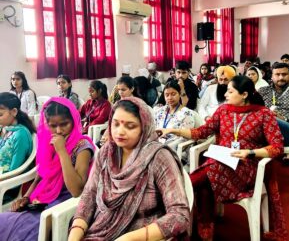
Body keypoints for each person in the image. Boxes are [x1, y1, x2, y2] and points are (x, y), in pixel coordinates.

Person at [157, 76, 287, 241]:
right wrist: (172, 131)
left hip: (246, 166)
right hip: (220, 161)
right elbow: (200, 132)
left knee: (207, 175)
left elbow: (277, 147)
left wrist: (251, 153)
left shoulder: (263, 114)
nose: (225, 94)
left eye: (230, 91)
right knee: (206, 183)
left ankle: (175, 199)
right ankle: (205, 232)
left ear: (244, 94)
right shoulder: (223, 110)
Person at [68, 97, 190, 241]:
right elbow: (89, 196)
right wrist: (76, 232)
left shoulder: (159, 157)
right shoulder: (107, 153)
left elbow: (179, 215)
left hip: (143, 234)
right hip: (101, 230)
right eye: (116, 124)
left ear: (144, 127)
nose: (120, 132)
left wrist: (129, 239)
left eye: (130, 126)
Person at [0, 97, 95, 241]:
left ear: (74, 120)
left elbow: (76, 190)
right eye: (52, 125)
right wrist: (26, 197)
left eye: (64, 124)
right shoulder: (48, 142)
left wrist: (62, 152)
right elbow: (40, 176)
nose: (59, 130)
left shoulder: (82, 146)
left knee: (26, 232)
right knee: (4, 221)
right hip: (40, 200)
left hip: (63, 203)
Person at [259, 63, 289, 147]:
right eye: (277, 74)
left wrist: (285, 118)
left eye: (284, 74)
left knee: (268, 117)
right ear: (272, 76)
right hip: (263, 129)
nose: (281, 77)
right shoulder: (263, 91)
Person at [154, 81, 195, 150]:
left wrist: (165, 147)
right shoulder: (160, 111)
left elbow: (185, 138)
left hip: (175, 148)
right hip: (158, 144)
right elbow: (154, 129)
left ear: (179, 94)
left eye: (173, 94)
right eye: (167, 95)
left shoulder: (186, 113)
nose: (170, 98)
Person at [0, 92, 35, 174]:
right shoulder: (5, 128)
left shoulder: (20, 135)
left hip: (7, 182)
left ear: (14, 112)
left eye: (0, 115)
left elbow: (14, 170)